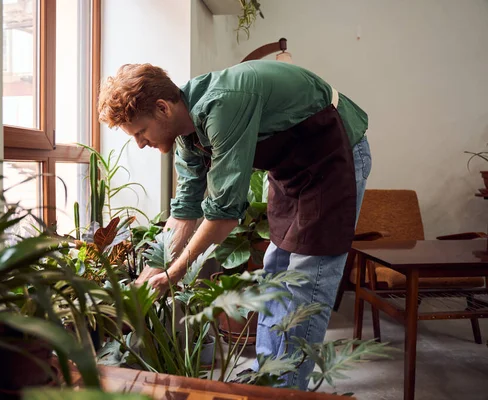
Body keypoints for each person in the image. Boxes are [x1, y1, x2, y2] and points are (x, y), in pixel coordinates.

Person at [97, 60, 372, 390]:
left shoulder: (223, 105)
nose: (140, 143)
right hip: (292, 173)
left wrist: (177, 271)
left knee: (307, 280)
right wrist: (152, 269)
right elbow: (185, 209)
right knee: (276, 269)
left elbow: (224, 214)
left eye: (141, 132)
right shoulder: (186, 136)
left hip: (334, 156)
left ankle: (285, 390)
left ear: (162, 108)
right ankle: (267, 375)